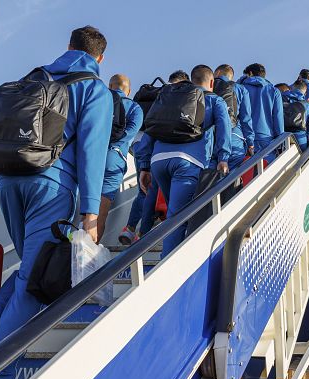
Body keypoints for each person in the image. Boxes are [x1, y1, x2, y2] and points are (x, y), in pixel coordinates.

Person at [0, 25, 112, 379]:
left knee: (30, 270)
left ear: (68, 47)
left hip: (8, 182)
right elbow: (92, 151)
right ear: (99, 58)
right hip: (51, 187)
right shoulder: (93, 89)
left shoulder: (30, 79)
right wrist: (91, 212)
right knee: (33, 286)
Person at [140, 65, 231, 257]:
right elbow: (224, 128)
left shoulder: (172, 97)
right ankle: (167, 265)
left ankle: (176, 253)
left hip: (158, 161)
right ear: (211, 82)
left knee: (176, 212)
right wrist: (223, 158)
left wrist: (144, 166)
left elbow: (150, 131)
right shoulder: (214, 100)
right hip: (188, 162)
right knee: (177, 218)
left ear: (191, 80)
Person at [120, 70, 190, 245]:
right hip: (155, 145)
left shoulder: (157, 95)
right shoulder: (174, 99)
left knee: (144, 189)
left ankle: (130, 229)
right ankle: (144, 233)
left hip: (138, 144)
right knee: (152, 189)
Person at [98, 74, 143, 240]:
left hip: (91, 157)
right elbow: (131, 132)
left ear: (109, 86)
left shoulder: (99, 102)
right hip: (114, 158)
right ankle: (88, 250)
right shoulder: (135, 108)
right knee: (100, 212)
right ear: (128, 91)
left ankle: (74, 245)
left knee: (86, 208)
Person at [214, 64, 254, 171]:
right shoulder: (240, 89)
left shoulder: (209, 87)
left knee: (211, 177)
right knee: (234, 175)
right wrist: (250, 143)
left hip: (211, 140)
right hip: (234, 139)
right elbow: (246, 119)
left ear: (217, 73)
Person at [238, 63, 283, 160]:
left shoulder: (241, 88)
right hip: (266, 138)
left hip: (243, 138)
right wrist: (281, 141)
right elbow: (278, 118)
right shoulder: (274, 91)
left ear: (250, 73)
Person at [282, 79, 309, 149]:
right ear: (305, 93)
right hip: (300, 140)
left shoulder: (280, 98)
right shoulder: (308, 106)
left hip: (282, 137)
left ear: (292, 87)